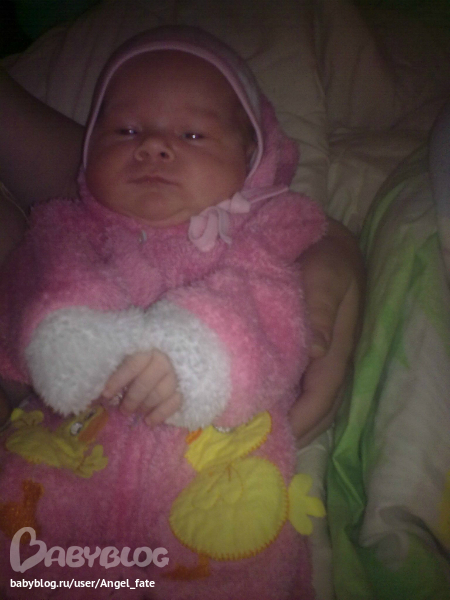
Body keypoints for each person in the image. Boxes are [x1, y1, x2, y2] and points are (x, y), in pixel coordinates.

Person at [0, 27, 355, 598]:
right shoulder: (64, 228)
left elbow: (278, 309)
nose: (153, 147)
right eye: (126, 130)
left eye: (192, 133)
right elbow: (31, 294)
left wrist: (197, 349)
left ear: (251, 156)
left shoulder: (267, 231)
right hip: (65, 472)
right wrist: (67, 338)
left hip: (211, 483)